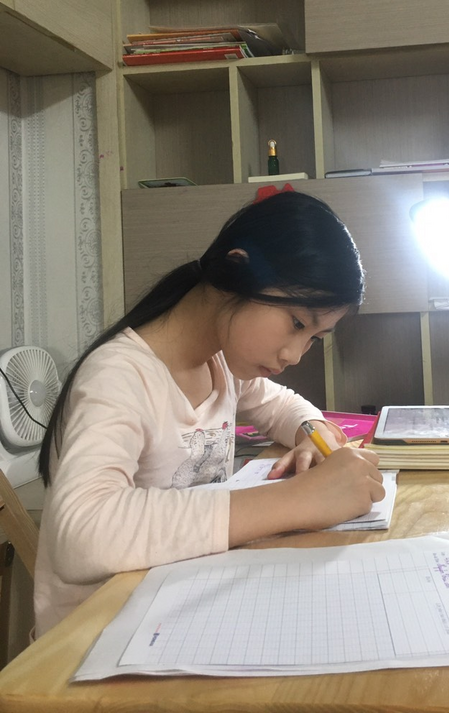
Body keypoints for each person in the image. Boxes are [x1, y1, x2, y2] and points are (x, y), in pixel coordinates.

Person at [34, 190, 384, 636]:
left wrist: (312, 434)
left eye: (314, 338)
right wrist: (300, 500)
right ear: (236, 271)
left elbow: (281, 405)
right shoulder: (119, 375)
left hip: (179, 607)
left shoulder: (222, 362)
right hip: (91, 640)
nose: (295, 354)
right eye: (297, 323)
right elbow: (81, 534)